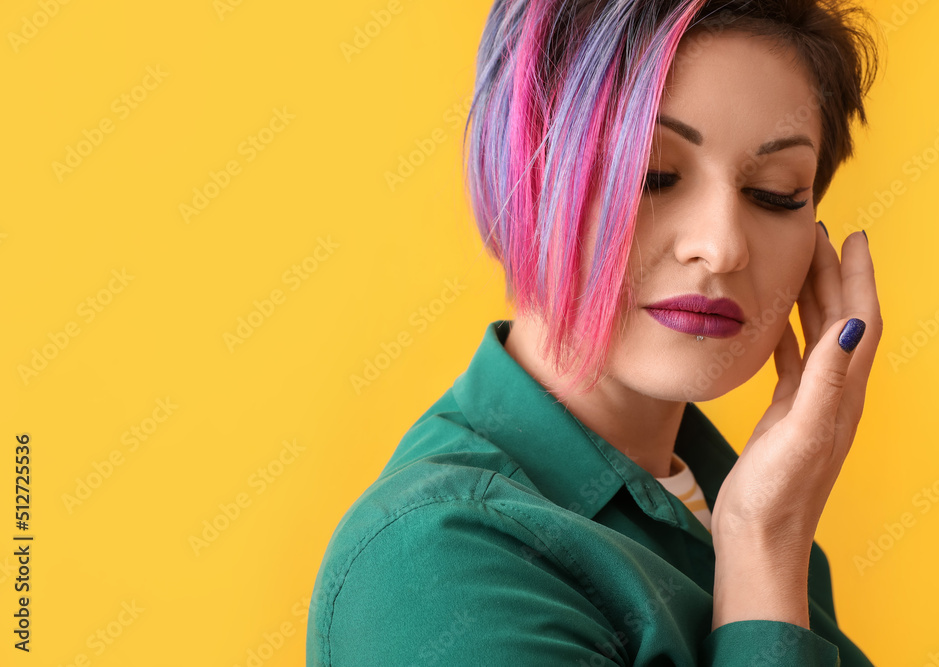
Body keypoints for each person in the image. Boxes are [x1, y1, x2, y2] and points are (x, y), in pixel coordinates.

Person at [307, 0, 883, 664]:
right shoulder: (429, 560)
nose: (722, 247)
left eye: (776, 193)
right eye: (652, 175)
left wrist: (769, 535)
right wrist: (762, 548)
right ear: (524, 172)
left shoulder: (744, 493)